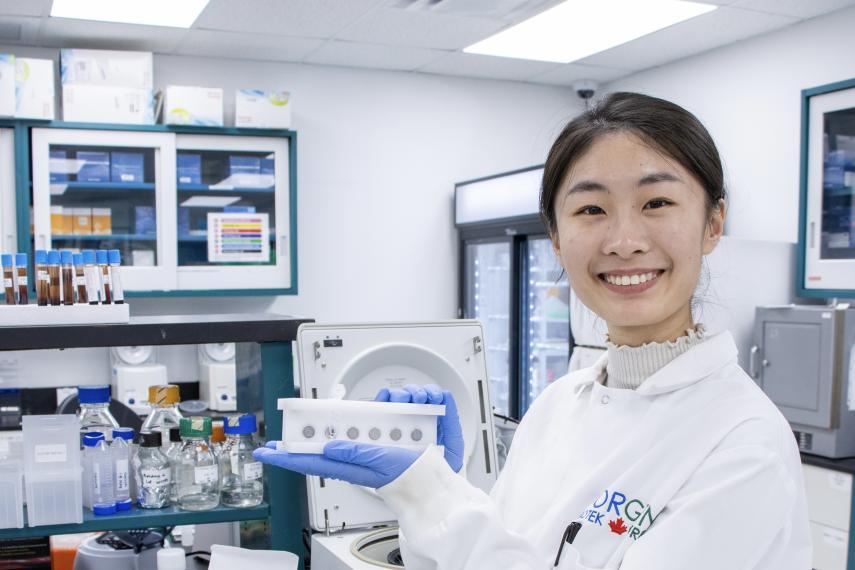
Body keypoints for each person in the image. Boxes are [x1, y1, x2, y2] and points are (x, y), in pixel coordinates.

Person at [254, 92, 813, 569]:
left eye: (657, 202)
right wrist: (445, 491)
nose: (624, 240)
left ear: (714, 222)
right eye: (591, 210)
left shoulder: (743, 443)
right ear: (555, 237)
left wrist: (431, 495)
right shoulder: (557, 406)